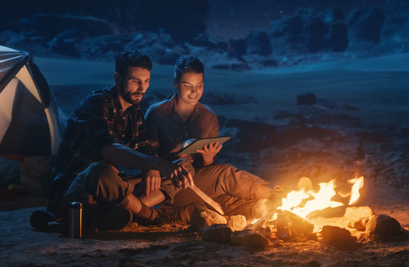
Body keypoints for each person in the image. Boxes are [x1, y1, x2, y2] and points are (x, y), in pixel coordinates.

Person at [44, 50, 203, 231]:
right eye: (135, 81)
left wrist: (153, 166)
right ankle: (152, 216)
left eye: (146, 81)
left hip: (109, 191)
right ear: (118, 79)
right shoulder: (96, 103)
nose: (142, 88)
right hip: (75, 191)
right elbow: (109, 149)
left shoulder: (133, 112)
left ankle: (118, 212)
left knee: (182, 166)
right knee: (100, 171)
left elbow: (145, 150)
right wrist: (157, 164)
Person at [144, 55, 284, 219]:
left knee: (230, 201)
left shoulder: (208, 116)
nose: (194, 92)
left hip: (198, 183)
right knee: (226, 175)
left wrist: (208, 159)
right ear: (176, 83)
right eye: (187, 86)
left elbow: (207, 168)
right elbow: (146, 154)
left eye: (199, 85)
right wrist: (153, 167)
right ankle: (277, 195)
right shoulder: (157, 113)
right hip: (169, 187)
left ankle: (273, 209)